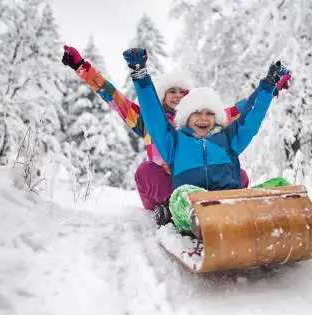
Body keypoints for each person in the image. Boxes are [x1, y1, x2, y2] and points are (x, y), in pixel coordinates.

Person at [61, 45, 280, 225]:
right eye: (171, 92)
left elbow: (242, 113)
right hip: (169, 188)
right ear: (162, 96)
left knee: (239, 174)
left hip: (207, 184)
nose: (176, 96)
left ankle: (219, 211)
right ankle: (173, 214)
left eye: (182, 92)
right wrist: (82, 68)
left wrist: (268, 88)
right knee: (145, 171)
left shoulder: (206, 120)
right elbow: (114, 98)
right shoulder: (148, 120)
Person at [123, 47, 292, 236]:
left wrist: (268, 86)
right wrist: (140, 76)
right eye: (196, 113)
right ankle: (204, 225)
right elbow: (153, 117)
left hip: (231, 206)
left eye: (210, 113)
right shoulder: (175, 143)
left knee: (280, 184)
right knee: (181, 195)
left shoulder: (229, 139)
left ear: (217, 118)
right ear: (185, 117)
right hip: (195, 208)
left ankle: (285, 223)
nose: (203, 118)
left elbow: (251, 117)